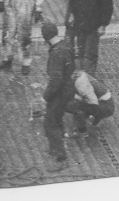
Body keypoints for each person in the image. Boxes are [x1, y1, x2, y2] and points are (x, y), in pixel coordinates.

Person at [65, 0, 113, 75]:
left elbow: (107, 5)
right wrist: (71, 13)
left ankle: (90, 76)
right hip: (80, 22)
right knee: (81, 51)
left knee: (90, 53)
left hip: (94, 24)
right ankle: (83, 73)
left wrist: (103, 24)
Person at [41, 22, 75, 171]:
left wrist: (45, 97)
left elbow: (56, 80)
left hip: (59, 92)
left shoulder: (56, 53)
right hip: (68, 89)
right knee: (57, 119)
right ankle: (55, 149)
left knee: (50, 123)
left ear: (45, 37)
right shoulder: (66, 45)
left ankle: (61, 158)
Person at [65, 69, 115, 134]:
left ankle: (81, 132)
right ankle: (94, 121)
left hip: (105, 106)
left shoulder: (80, 83)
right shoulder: (79, 75)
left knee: (74, 106)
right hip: (105, 103)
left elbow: (92, 101)